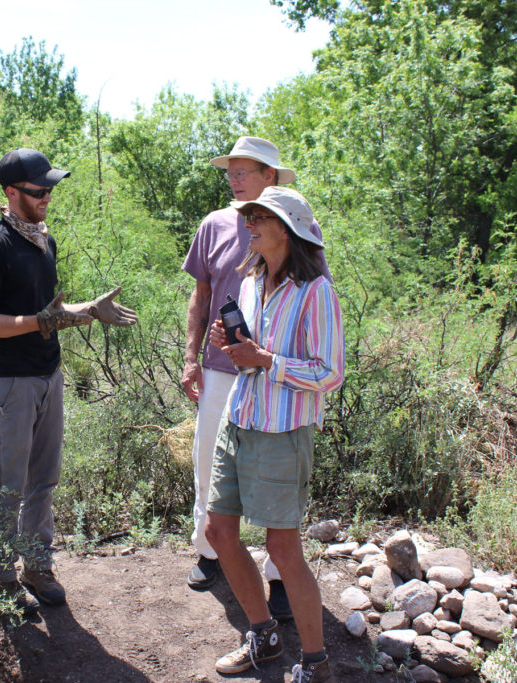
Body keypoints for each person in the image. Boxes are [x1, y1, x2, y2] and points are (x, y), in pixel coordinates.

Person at [0, 147, 138, 616]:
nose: (47, 196)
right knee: (6, 484)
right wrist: (41, 320)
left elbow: (47, 314)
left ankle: (37, 566)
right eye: (38, 190)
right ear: (11, 192)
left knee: (43, 479)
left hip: (48, 375)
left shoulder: (44, 239)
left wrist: (85, 311)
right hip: (10, 384)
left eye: (50, 188)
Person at [181, 136, 330, 619]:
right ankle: (210, 552)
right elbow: (201, 296)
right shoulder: (215, 225)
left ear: (271, 178)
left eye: (245, 171)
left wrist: (268, 360)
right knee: (211, 463)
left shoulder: (296, 227)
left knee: (277, 485)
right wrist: (193, 356)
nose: (234, 179)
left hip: (279, 385)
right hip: (225, 370)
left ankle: (279, 576)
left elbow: (313, 306)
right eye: (231, 171)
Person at [204, 185, 344, 682]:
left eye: (260, 216)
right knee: (218, 532)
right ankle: (262, 635)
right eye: (249, 215)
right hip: (239, 419)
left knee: (283, 550)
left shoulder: (316, 291)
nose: (250, 223)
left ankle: (316, 663)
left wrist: (265, 360)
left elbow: (329, 373)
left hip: (283, 431)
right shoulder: (250, 282)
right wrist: (235, 345)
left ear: (287, 228)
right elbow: (252, 355)